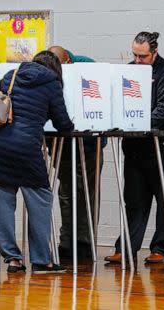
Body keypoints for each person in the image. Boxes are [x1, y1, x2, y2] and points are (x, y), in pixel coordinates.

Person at [0, 51, 74, 273]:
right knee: (40, 199)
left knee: (2, 205)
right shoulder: (51, 83)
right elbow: (62, 122)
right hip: (26, 149)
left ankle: (13, 260)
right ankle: (41, 260)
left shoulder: (11, 75)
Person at [104, 32, 164, 265]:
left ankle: (161, 249)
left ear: (155, 53)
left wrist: (136, 122)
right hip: (136, 144)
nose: (138, 61)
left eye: (143, 56)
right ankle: (126, 248)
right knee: (134, 199)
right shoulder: (129, 71)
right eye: (135, 56)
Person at [48, 45, 107, 259]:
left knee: (87, 192)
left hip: (90, 144)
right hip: (60, 142)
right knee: (66, 191)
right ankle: (67, 241)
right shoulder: (48, 68)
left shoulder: (87, 66)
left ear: (67, 62)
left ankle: (84, 241)